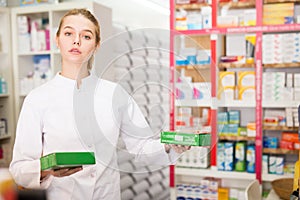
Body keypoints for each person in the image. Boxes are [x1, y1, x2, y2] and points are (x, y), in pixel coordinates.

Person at [9, 8, 190, 200]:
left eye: (86, 36)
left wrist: (170, 146)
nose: (76, 41)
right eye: (69, 33)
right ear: (57, 39)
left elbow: (141, 145)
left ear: (96, 45)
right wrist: (46, 170)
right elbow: (19, 167)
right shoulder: (38, 98)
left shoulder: (114, 94)